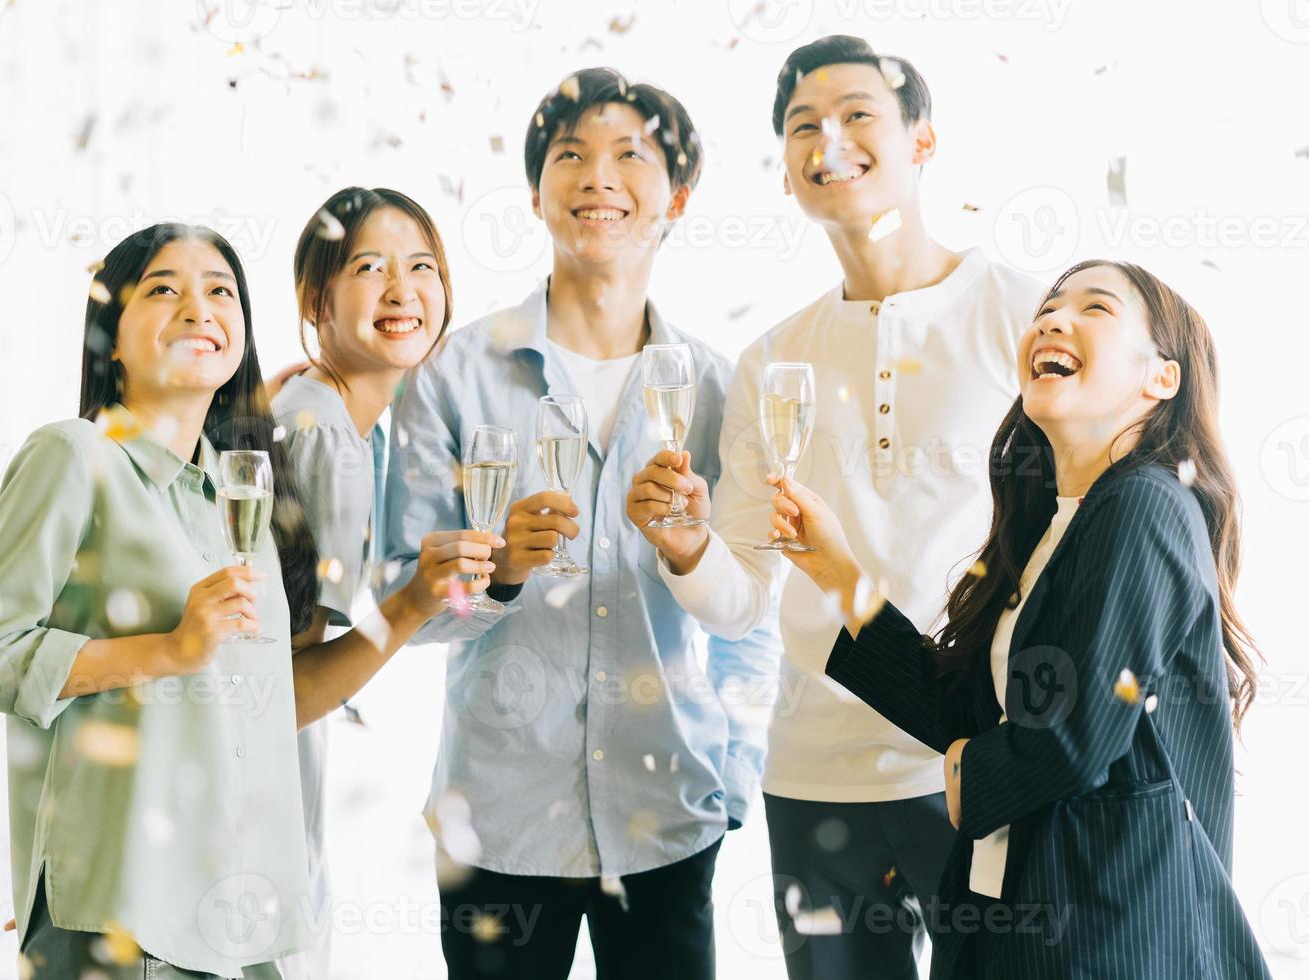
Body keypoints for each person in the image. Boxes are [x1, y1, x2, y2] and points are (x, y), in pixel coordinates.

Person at [0, 223, 490, 978]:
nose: (199, 308)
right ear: (111, 337)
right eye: (164, 289)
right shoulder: (73, 456)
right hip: (121, 920)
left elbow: (276, 700)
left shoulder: (241, 496)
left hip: (242, 930)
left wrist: (410, 606)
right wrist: (167, 651)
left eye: (221, 291)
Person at [627, 35, 1039, 979]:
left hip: (979, 764)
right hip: (815, 777)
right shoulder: (774, 360)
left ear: (922, 141)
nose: (829, 141)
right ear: (785, 172)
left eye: (859, 115)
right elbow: (739, 597)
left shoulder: (1024, 318)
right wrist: (687, 545)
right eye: (803, 126)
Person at [380, 68, 781, 979]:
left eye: (629, 155)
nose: (598, 176)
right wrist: (497, 578)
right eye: (572, 155)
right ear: (536, 194)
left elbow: (752, 612)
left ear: (676, 196)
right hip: (498, 818)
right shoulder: (453, 375)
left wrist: (733, 776)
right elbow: (395, 600)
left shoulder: (721, 391)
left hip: (670, 811)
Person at [769, 259, 1270, 979]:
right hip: (1027, 925)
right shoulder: (1056, 525)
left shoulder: (1146, 506)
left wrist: (963, 774)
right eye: (1048, 307)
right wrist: (838, 574)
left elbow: (1075, 735)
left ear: (1161, 379)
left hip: (1110, 935)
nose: (1052, 320)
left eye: (1095, 308)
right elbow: (964, 708)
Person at [269, 186, 492, 978]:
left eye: (421, 266)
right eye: (370, 267)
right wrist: (413, 605)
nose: (404, 291)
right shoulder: (326, 435)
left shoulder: (336, 418)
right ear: (315, 299)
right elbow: (287, 689)